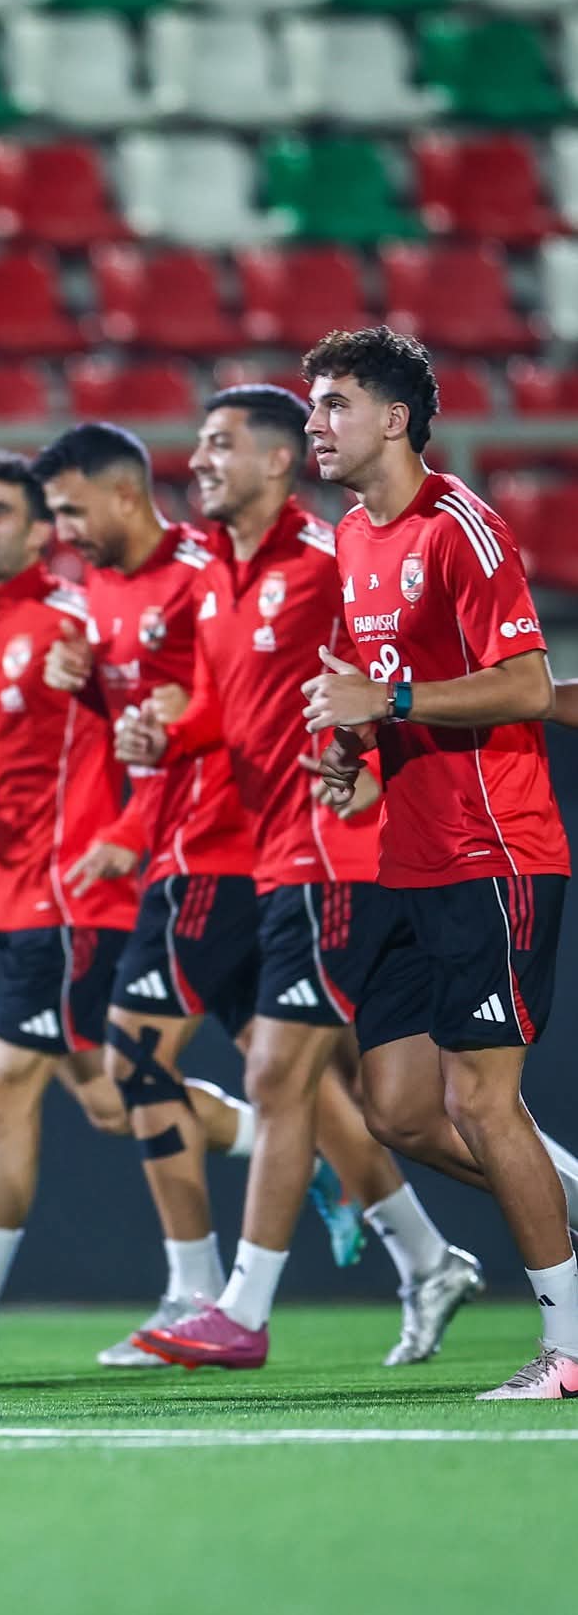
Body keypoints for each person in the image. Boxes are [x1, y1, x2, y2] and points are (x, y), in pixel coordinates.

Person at [114, 387, 483, 1371]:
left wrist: (366, 763)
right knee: (409, 1108)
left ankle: (237, 1306)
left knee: (282, 1072)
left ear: (279, 461)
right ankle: (487, 1238)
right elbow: (236, 708)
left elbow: (396, 659)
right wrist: (167, 728)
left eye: (219, 443)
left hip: (340, 851)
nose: (197, 459)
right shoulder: (214, 575)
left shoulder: (325, 556)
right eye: (196, 441)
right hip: (284, 857)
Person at [0, 451, 252, 1371]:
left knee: (2, 1089)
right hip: (13, 899)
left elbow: (149, 739)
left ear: (46, 529)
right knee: (116, 1100)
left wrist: (124, 829)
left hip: (79, 896)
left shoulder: (81, 618)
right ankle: (283, 1141)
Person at [302, 327, 578, 1400]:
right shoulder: (353, 539)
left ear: (394, 418)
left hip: (493, 845)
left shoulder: (459, 524)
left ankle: (567, 1346)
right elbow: (370, 684)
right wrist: (354, 750)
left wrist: (394, 703)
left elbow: (524, 684)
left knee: (480, 1098)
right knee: (402, 1107)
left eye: (332, 403)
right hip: (411, 855)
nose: (316, 423)